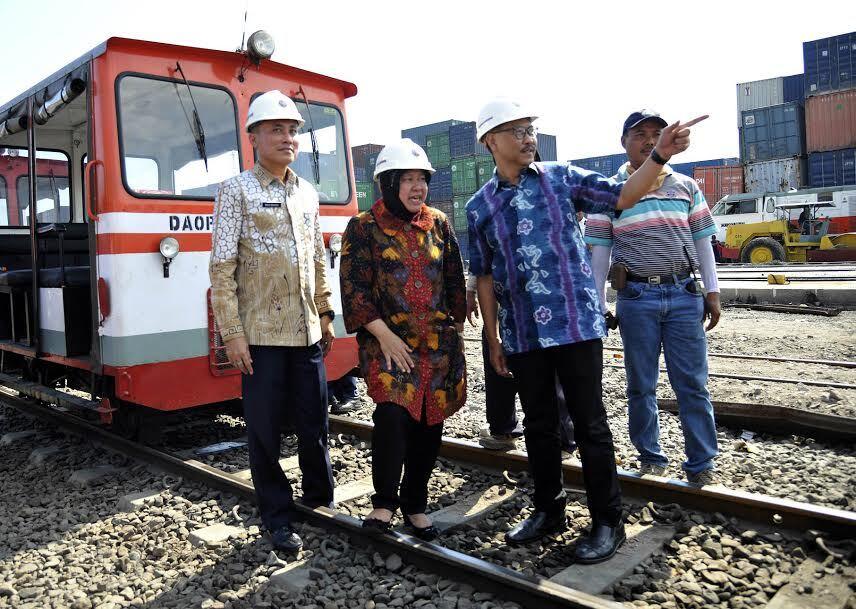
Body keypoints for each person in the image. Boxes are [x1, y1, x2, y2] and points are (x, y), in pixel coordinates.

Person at [467, 97, 703, 564]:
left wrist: (659, 157)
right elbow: (485, 276)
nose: (528, 138)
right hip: (524, 335)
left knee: (591, 426)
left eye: (530, 129)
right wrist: (492, 339)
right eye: (516, 131)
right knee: (539, 427)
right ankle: (549, 510)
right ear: (491, 142)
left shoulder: (561, 179)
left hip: (577, 327)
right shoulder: (480, 207)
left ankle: (606, 521)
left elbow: (622, 196)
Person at [209, 90, 336, 553]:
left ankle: (320, 501)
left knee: (314, 422)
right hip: (260, 336)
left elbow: (318, 260)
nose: (288, 138)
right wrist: (233, 334)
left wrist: (325, 314)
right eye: (277, 129)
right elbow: (222, 268)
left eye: (293, 130)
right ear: (254, 137)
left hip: (305, 333)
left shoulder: (307, 194)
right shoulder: (235, 192)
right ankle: (277, 516)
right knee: (264, 431)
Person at [340, 139, 467, 542]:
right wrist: (385, 337)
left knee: (431, 423)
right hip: (386, 343)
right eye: (408, 180)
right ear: (389, 183)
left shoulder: (440, 223)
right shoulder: (363, 226)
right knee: (393, 418)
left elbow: (452, 278)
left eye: (422, 180)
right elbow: (354, 289)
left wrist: (457, 327)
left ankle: (415, 505)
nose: (417, 188)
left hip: (436, 346)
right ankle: (384, 503)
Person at [585, 110, 720, 486]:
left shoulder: (686, 186)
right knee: (641, 384)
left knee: (692, 383)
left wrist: (713, 292)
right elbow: (599, 254)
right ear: (623, 142)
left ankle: (701, 462)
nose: (649, 140)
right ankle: (650, 455)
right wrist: (598, 306)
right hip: (636, 297)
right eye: (640, 134)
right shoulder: (607, 192)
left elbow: (702, 242)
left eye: (656, 134)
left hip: (683, 294)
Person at [466, 276, 576, 456]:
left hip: (541, 300)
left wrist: (471, 289)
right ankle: (504, 430)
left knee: (548, 371)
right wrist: (472, 288)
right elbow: (482, 257)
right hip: (503, 297)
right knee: (498, 363)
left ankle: (561, 440)